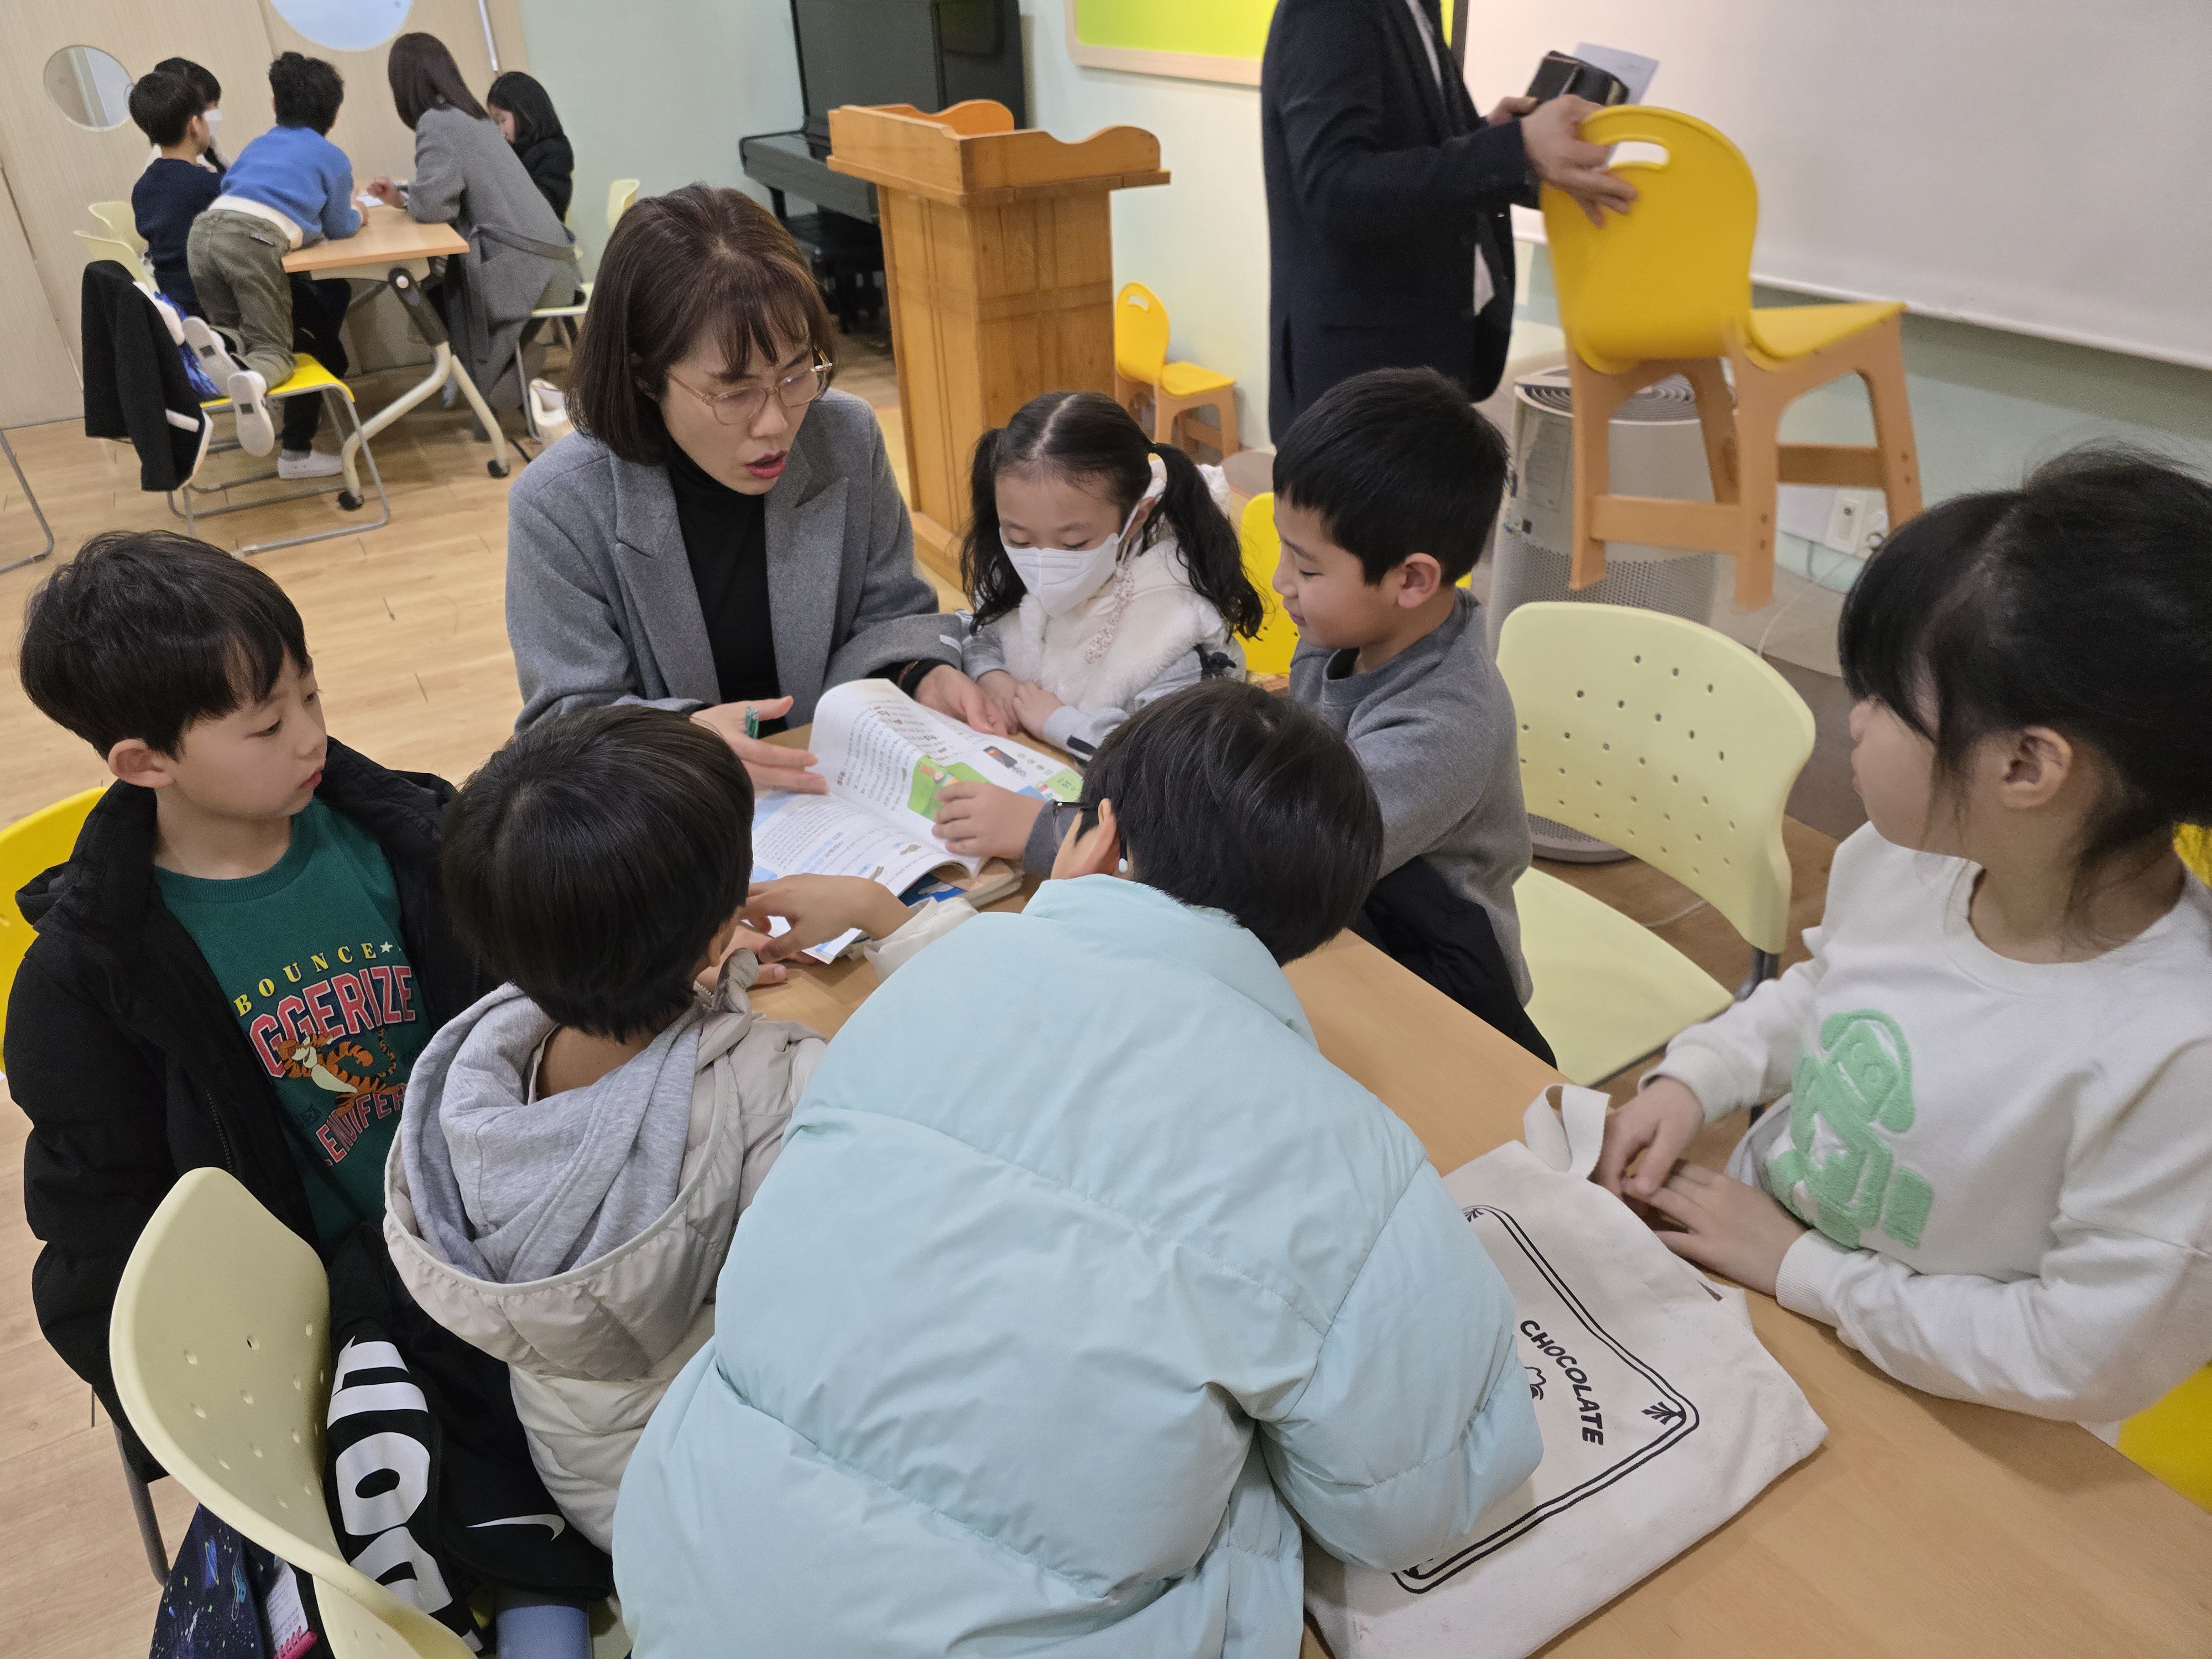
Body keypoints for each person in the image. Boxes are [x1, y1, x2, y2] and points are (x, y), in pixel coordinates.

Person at [620, 681, 1541, 1657]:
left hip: (684, 1569)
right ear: (1313, 925)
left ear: (1097, 838)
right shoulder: (1352, 1153)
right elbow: (1408, 1508)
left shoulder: (936, 979)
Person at [1597, 451, 2212, 1428]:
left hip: (1946, 1407)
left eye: (1883, 697)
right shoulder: (1904, 858)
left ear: (2027, 764)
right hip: (1770, 1281)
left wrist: (1807, 1270)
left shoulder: (2178, 1055)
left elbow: (2074, 1357)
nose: (1854, 721)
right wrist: (1697, 1078)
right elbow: (1829, 992)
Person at [388, 705, 935, 1552]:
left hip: (586, 1466)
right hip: (706, 1502)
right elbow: (954, 1097)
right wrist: (886, 915)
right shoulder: (784, 1092)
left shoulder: (474, 1069)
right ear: (715, 931)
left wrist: (701, 969)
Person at [4, 531, 487, 1475]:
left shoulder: (408, 838)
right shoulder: (90, 982)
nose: (311, 737)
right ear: (145, 763)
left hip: (487, 1240)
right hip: (327, 1337)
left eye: (311, 694)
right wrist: (220, 1425)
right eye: (267, 726)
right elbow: (102, 1233)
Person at [504, 183, 1009, 798]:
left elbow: (891, 613)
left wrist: (920, 671)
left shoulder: (845, 437)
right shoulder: (559, 505)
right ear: (644, 376)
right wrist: (686, 740)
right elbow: (566, 721)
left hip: (833, 789)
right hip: (674, 808)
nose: (775, 423)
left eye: (796, 373)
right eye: (735, 392)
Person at [1270, 367, 1547, 1059]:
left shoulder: (1444, 725)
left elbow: (1292, 861)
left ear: (1412, 579)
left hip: (1436, 980)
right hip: (1348, 915)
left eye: (1307, 569)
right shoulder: (1339, 632)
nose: (1281, 584)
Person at [1260, 0, 1635, 431]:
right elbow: (1335, 189)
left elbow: (1397, 151)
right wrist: (1514, 147)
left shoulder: (1415, 9)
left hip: (1417, 357)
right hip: (1360, 381)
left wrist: (1491, 135)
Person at [932, 390, 1263, 872]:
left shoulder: (1176, 630)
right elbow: (980, 627)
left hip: (1121, 849)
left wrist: (1060, 723)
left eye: (1073, 543)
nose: (1042, 563)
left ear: (1136, 517)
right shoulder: (1015, 566)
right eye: (1019, 538)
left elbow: (1170, 781)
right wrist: (991, 676)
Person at [365, 34, 576, 410]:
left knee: (431, 286)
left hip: (528, 274)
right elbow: (444, 195)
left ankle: (473, 374)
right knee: (439, 283)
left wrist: (407, 200)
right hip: (555, 263)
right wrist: (403, 199)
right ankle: (485, 375)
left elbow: (435, 208)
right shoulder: (474, 116)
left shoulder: (436, 122)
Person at [183, 53, 359, 471]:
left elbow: (236, 188)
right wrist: (359, 215)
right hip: (253, 243)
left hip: (204, 233)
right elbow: (339, 227)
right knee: (275, 349)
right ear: (334, 115)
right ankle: (257, 380)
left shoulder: (258, 145)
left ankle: (221, 346)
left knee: (235, 333)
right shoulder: (332, 157)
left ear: (276, 105)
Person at [128, 70, 222, 313]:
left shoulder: (142, 188)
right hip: (216, 305)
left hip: (179, 306)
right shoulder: (207, 185)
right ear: (195, 125)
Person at [487, 71, 575, 222]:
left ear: (524, 112)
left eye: (502, 120)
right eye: (497, 123)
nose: (501, 131)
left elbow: (543, 206)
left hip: (543, 232)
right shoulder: (517, 150)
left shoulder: (555, 151)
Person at [150, 56, 225, 171]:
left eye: (216, 104)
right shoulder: (167, 166)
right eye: (206, 108)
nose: (215, 111)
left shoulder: (207, 146)